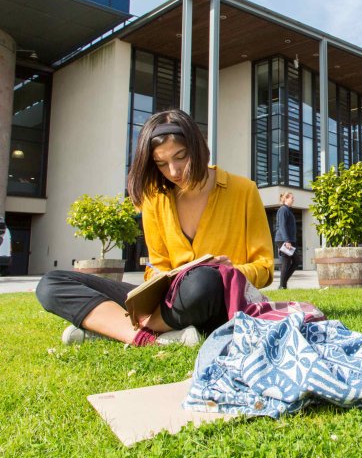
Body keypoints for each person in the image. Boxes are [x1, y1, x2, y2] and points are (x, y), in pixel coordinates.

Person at [36, 109, 274, 346]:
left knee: (204, 280)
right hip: (168, 301)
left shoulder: (243, 190)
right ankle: (148, 336)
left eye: (181, 156)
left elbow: (264, 267)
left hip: (215, 296)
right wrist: (158, 278)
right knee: (52, 283)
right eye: (161, 164)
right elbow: (157, 265)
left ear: (198, 147)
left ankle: (120, 329)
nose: (173, 171)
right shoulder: (154, 197)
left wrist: (231, 272)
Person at [274, 192, 297, 289]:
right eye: (292, 198)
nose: (293, 199)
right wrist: (286, 241)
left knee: (296, 261)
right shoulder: (283, 210)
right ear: (286, 199)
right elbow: (282, 226)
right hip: (284, 239)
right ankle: (282, 285)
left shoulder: (288, 210)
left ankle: (283, 284)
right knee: (287, 262)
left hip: (288, 240)